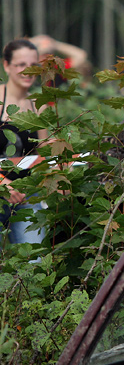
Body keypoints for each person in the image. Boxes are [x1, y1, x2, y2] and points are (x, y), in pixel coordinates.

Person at [0, 39, 48, 244]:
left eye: (33, 66)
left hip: (26, 196)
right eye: (21, 65)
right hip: (2, 189)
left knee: (34, 258)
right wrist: (4, 185)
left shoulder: (39, 105)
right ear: (6, 65)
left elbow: (45, 153)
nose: (28, 72)